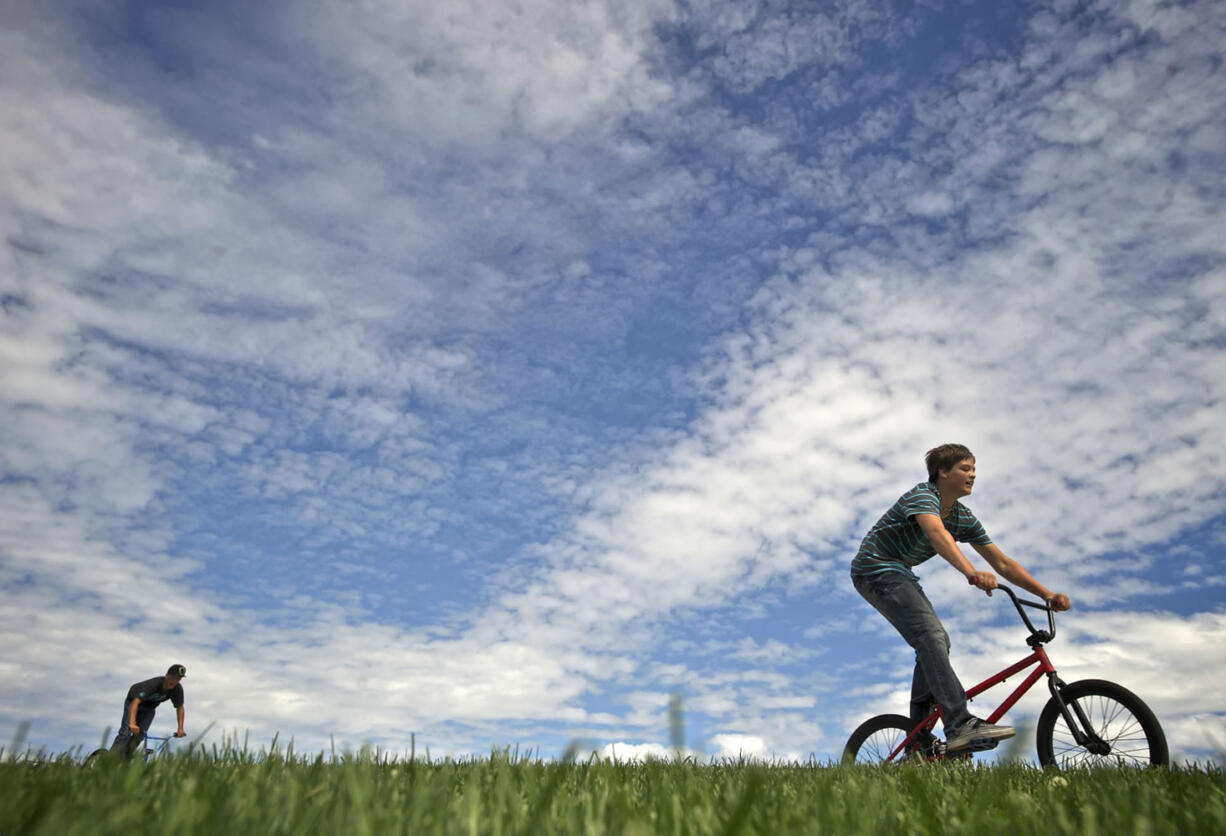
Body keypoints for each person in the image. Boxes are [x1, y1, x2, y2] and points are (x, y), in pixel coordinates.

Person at [850, 444, 1071, 753]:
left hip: (901, 574)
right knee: (930, 635)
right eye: (966, 469)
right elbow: (936, 534)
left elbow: (1002, 563)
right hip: (874, 570)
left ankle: (919, 740)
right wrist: (971, 572)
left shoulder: (962, 517)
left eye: (974, 469)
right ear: (943, 472)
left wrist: (1046, 594)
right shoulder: (922, 496)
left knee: (937, 642)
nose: (973, 474)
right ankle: (959, 724)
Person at [109, 664, 188, 755]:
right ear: (167, 676)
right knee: (126, 732)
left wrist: (180, 729)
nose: (175, 681)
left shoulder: (177, 689)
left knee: (140, 735)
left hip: (149, 708)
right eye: (173, 678)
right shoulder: (153, 685)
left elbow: (180, 708)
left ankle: (126, 759)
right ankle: (110, 759)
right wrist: (132, 723)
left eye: (178, 679)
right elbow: (135, 703)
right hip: (134, 702)